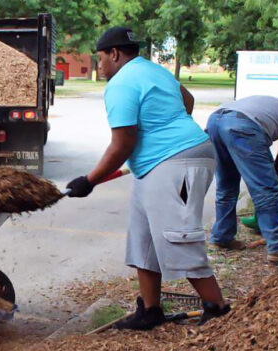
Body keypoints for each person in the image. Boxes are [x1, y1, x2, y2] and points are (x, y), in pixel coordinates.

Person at [65, 27, 230, 330]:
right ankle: (150, 310)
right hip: (157, 165)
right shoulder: (155, 71)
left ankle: (218, 309)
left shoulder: (120, 84)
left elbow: (122, 143)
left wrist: (90, 180)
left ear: (114, 54)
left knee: (178, 237)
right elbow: (187, 100)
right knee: (143, 238)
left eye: (100, 58)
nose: (98, 65)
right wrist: (168, 125)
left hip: (175, 162)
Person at [206, 95, 278, 265]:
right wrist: (269, 181)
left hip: (215, 121)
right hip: (243, 126)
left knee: (226, 185)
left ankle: (222, 236)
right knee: (266, 190)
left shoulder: (266, 104)